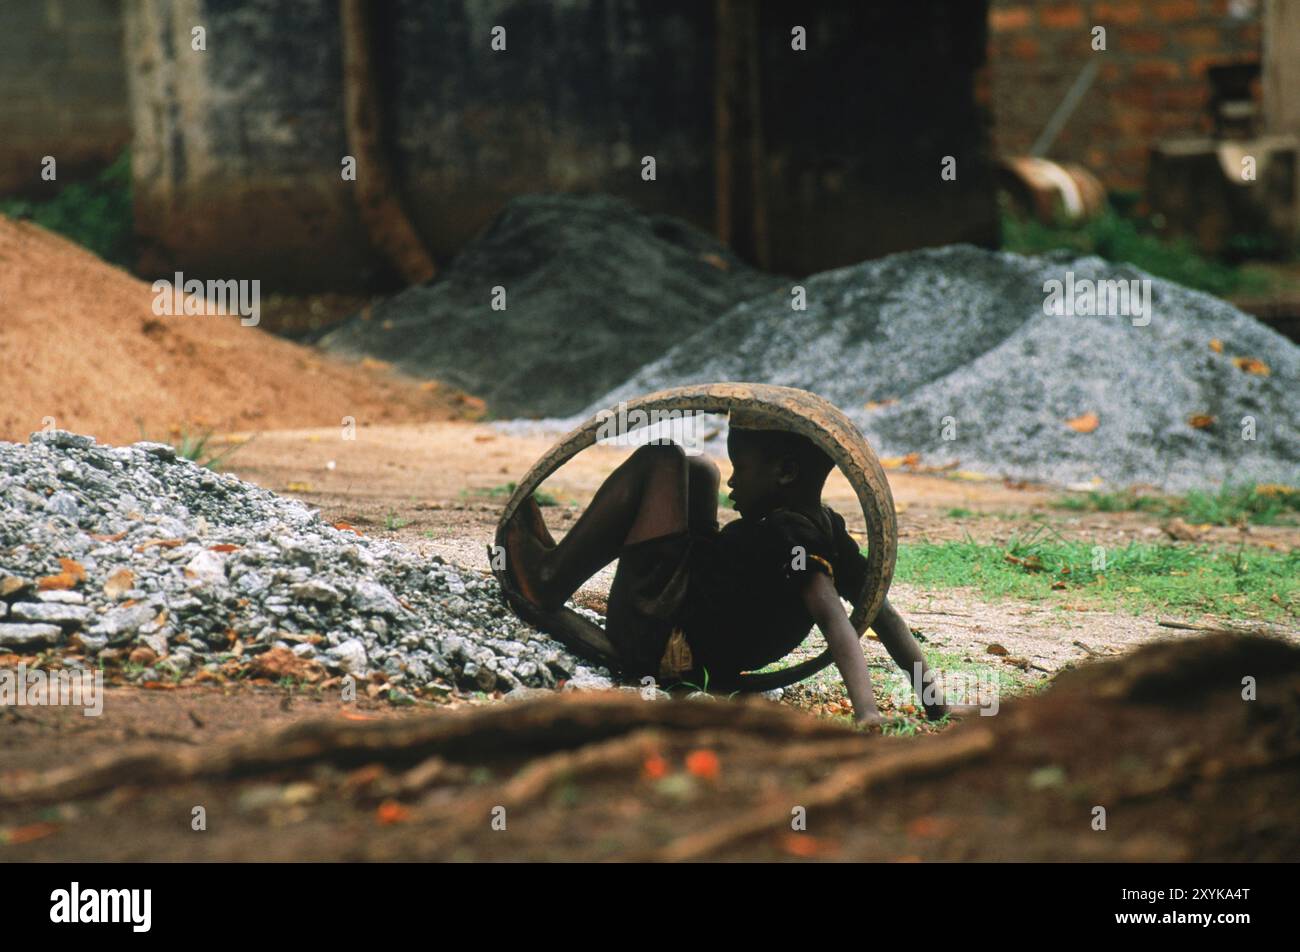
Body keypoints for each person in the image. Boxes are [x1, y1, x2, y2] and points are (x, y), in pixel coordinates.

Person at [501, 411, 978, 726]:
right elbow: (884, 614)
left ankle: (548, 580)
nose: (733, 480)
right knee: (700, 469)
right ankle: (556, 564)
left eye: (743, 468)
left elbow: (837, 620)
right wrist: (932, 701)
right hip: (684, 615)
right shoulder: (826, 527)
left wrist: (867, 713)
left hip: (661, 637)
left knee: (662, 458)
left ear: (785, 474)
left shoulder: (789, 539)